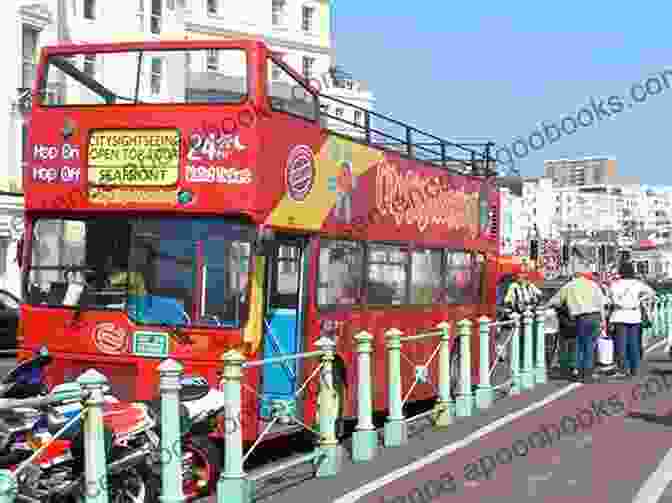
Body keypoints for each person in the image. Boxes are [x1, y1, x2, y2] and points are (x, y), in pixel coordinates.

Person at [546, 270, 606, 383]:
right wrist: (603, 322)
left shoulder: (569, 286)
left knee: (580, 345)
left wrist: (545, 306)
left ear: (573, 277)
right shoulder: (593, 285)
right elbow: (601, 303)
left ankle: (580, 373)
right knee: (590, 346)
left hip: (581, 318)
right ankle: (588, 373)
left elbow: (556, 301)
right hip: (595, 317)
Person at [607, 261, 655, 378]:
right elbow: (652, 292)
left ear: (620, 272)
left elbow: (610, 297)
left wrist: (617, 302)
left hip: (619, 315)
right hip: (634, 315)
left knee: (621, 344)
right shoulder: (637, 284)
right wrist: (640, 300)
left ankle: (623, 369)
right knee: (634, 344)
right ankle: (635, 369)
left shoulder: (615, 284)